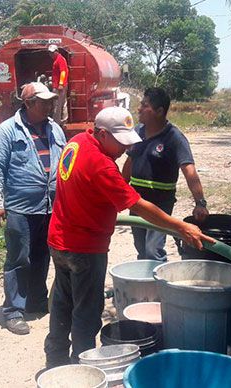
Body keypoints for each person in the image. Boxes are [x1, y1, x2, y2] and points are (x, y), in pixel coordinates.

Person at [44, 106, 214, 367]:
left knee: (62, 304)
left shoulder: (76, 143)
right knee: (87, 314)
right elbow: (139, 206)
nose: (125, 148)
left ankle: (55, 364)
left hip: (60, 241)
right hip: (86, 249)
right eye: (120, 141)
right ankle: (83, 369)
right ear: (101, 134)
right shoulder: (101, 165)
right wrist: (180, 226)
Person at [0, 82, 66, 335]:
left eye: (51, 101)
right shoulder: (7, 131)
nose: (50, 106)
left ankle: (36, 300)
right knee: (19, 258)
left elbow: (64, 164)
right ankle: (13, 311)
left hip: (48, 206)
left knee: (42, 255)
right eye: (44, 102)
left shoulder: (55, 129)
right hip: (20, 207)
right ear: (29, 104)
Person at [122, 87, 209, 262]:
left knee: (153, 249)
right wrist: (119, 190)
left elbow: (189, 171)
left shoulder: (174, 137)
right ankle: (144, 285)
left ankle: (159, 287)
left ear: (159, 111)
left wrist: (200, 202)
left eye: (144, 105)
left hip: (160, 203)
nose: (139, 109)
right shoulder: (138, 131)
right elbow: (129, 162)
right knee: (140, 249)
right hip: (137, 201)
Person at [48, 44, 69, 125]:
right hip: (60, 85)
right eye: (50, 53)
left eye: (52, 53)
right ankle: (64, 120)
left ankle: (56, 122)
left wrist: (60, 84)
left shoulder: (59, 59)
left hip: (59, 86)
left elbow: (63, 72)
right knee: (63, 103)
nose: (51, 54)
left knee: (57, 104)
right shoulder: (58, 59)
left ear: (57, 51)